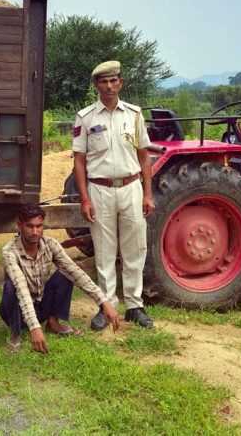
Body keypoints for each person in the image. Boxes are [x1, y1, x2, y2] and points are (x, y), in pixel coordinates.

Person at [72, 60, 155, 330]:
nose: (109, 86)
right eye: (103, 81)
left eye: (113, 80)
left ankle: (134, 305)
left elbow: (144, 156)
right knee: (104, 251)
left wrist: (147, 194)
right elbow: (80, 161)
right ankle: (106, 305)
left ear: (121, 82)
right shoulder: (86, 117)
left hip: (132, 187)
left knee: (135, 248)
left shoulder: (134, 114)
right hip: (100, 190)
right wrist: (85, 198)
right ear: (96, 85)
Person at [0, 203, 121, 354]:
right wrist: (35, 328)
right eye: (30, 226)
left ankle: (53, 323)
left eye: (39, 226)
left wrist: (104, 302)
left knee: (67, 272)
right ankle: (15, 334)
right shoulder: (9, 252)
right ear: (19, 226)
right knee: (11, 287)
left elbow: (75, 272)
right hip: (15, 311)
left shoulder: (50, 244)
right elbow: (21, 288)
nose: (35, 232)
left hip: (40, 305)